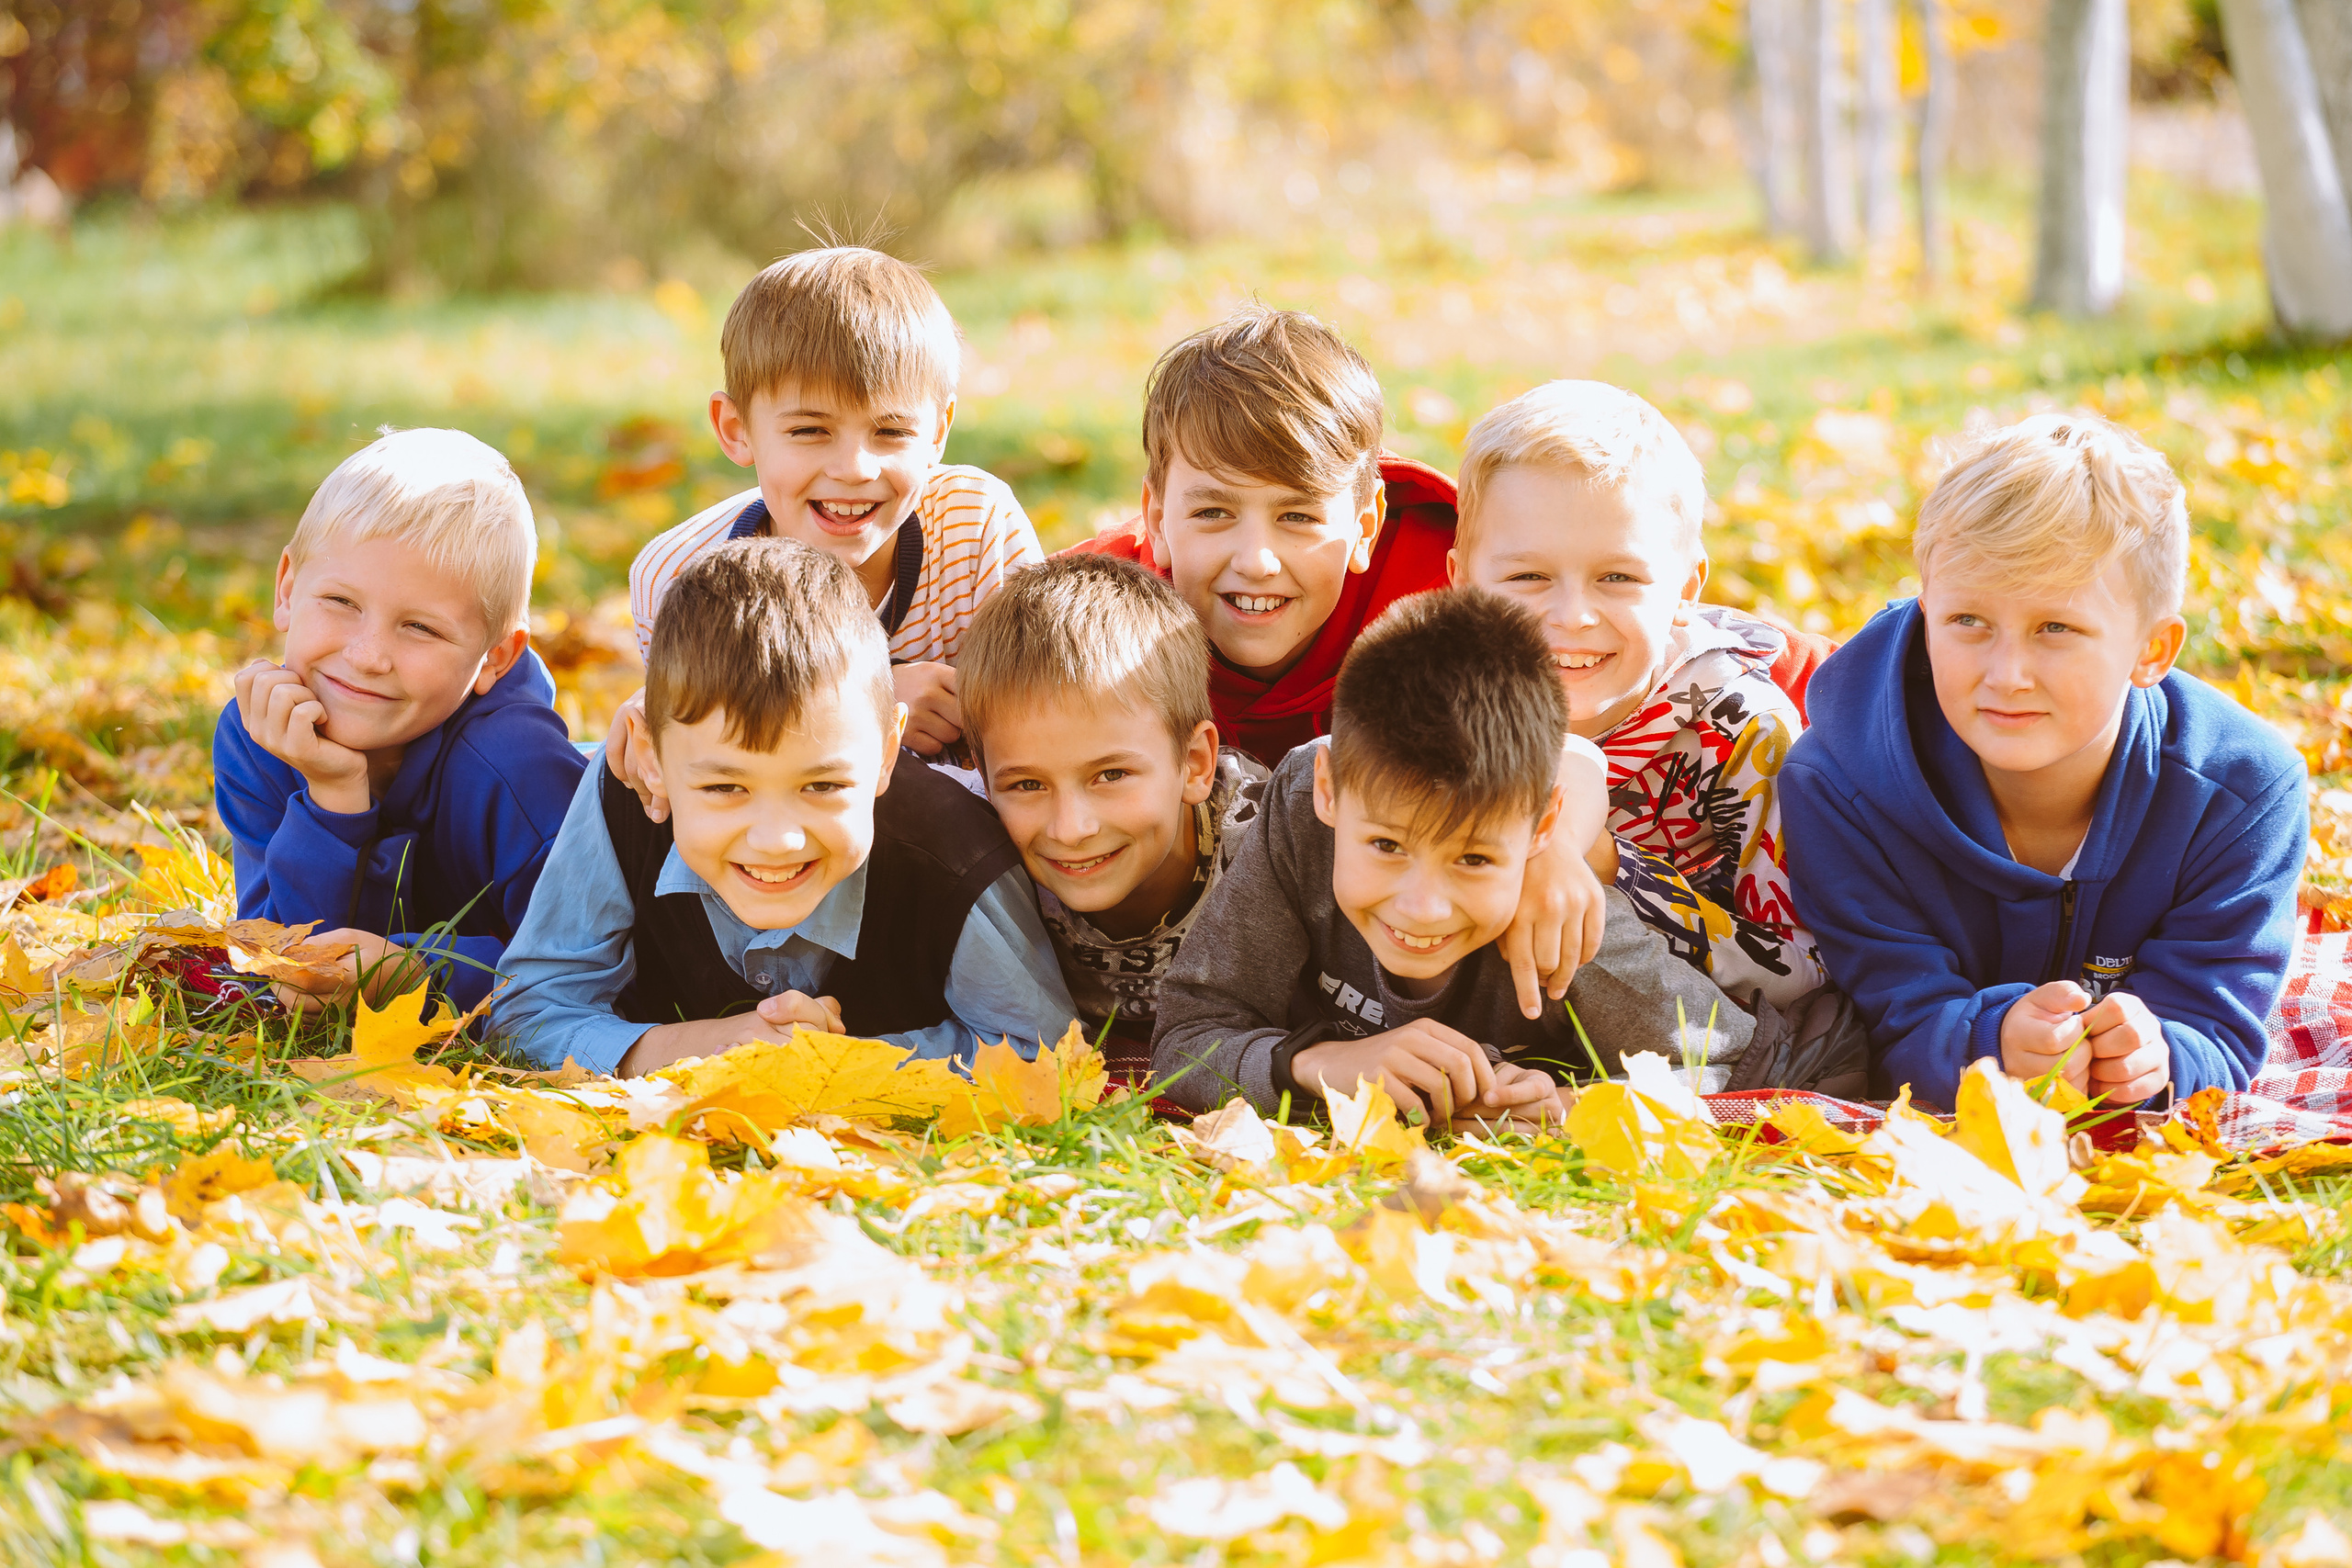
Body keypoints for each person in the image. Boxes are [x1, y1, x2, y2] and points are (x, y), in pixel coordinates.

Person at [1068, 305, 1613, 1020]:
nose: (1256, 560)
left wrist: (1555, 848)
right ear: (1156, 516)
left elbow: (1562, 743)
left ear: (1364, 525)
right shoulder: (1099, 619)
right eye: (1213, 513)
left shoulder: (1433, 588)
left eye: (1297, 516)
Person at [1782, 412, 2307, 1110]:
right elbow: (1881, 1024)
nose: (2007, 675)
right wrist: (1987, 1042)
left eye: (2055, 627)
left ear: (2151, 650)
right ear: (1927, 613)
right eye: (1968, 621)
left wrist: (2157, 1060)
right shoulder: (1838, 786)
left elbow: (2217, 1028)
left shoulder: (2242, 794)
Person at [1152, 588, 1753, 1127]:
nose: (1423, 908)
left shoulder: (1563, 926)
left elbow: (1745, 1063)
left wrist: (1569, 1107)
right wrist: (1323, 1066)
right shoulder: (1302, 814)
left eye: (1472, 860)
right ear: (1329, 789)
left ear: (1543, 826)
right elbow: (1187, 1035)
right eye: (1387, 846)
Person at [492, 538, 1075, 1077]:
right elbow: (528, 1014)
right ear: (653, 759)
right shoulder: (625, 792)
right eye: (726, 788)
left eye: (821, 786)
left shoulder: (952, 852)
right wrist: (707, 1049)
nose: (776, 840)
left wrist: (829, 1065)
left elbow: (1040, 1051)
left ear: (886, 754)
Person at [609, 245, 1043, 822]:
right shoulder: (677, 573)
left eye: (891, 432)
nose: (855, 468)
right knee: (616, 771)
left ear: (938, 431)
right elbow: (716, 765)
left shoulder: (974, 525)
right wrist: (875, 697)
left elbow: (1049, 717)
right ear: (736, 429)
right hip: (777, 838)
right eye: (810, 430)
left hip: (964, 827)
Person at [1447, 380, 1824, 1014]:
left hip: (1685, 1036)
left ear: (1685, 589)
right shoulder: (1432, 701)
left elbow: (1808, 969)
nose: (1572, 616)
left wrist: (1608, 866)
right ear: (1461, 582)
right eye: (1527, 576)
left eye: (1617, 577)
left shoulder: (1744, 733)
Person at [214, 427, 585, 1014]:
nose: (367, 657)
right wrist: (334, 796)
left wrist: (417, 975)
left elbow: (586, 969)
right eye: (341, 602)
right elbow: (287, 963)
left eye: (420, 628)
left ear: (495, 656)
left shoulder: (520, 769)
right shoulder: (259, 733)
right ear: (287, 588)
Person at [956, 554, 1267, 1081]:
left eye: (1111, 775)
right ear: (984, 782)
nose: (1071, 829)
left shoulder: (1269, 848)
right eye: (1028, 785)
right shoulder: (974, 850)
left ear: (1195, 763)